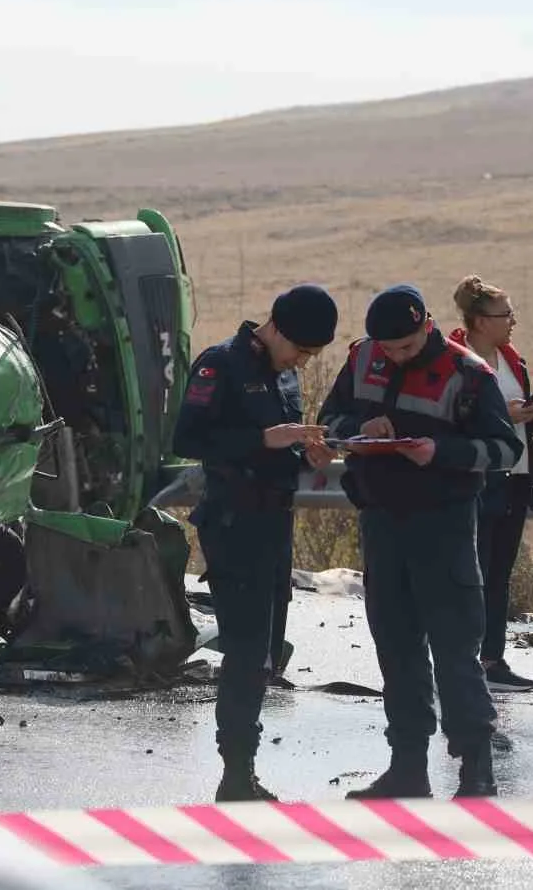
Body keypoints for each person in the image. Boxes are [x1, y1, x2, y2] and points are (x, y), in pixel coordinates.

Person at [318, 284, 522, 799]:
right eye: (387, 348)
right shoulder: (363, 358)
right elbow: (328, 422)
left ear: (427, 326)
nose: (395, 356)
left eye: (406, 347)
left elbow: (503, 450)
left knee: (456, 651)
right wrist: (360, 427)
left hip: (444, 526)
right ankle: (407, 767)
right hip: (381, 521)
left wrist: (441, 451)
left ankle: (476, 769)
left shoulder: (469, 372)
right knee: (397, 648)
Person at [172, 284, 340, 802]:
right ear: (278, 329)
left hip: (275, 524)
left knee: (264, 652)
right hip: (232, 523)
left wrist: (306, 455)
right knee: (245, 652)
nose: (304, 362)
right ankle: (236, 772)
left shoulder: (285, 374)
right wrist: (264, 439)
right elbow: (188, 439)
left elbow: (282, 446)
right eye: (302, 350)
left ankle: (244, 768)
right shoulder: (220, 365)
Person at [447, 276, 533, 694]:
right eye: (505, 314)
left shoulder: (514, 362)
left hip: (514, 478)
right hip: (475, 480)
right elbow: (451, 422)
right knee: (468, 574)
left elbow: (512, 424)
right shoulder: (454, 361)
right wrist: (506, 418)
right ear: (479, 321)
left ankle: (492, 659)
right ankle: (459, 658)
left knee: (499, 575)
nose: (513, 321)